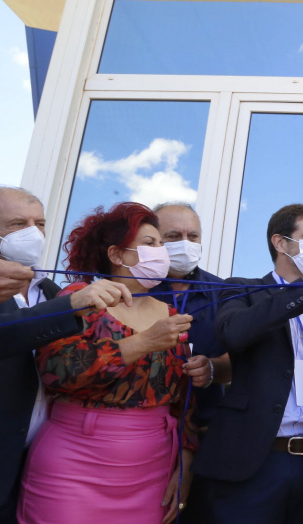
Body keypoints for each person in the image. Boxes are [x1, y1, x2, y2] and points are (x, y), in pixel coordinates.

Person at [17, 201, 197, 524]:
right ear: (116, 255)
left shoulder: (171, 313)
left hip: (152, 472)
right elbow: (56, 371)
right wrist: (142, 342)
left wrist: (185, 464)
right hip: (73, 466)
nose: (161, 252)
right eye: (149, 244)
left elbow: (184, 401)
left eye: (161, 245)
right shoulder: (79, 297)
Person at [192, 204, 303, 524]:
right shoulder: (242, 288)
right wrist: (302, 291)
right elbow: (234, 333)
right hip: (256, 462)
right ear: (280, 243)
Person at [0, 186, 132, 523]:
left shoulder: (52, 290)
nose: (33, 233)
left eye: (40, 223)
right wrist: (69, 306)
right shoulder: (66, 300)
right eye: (18, 224)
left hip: (35, 463)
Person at [151, 202, 229, 524]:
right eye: (173, 235)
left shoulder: (224, 292)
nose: (185, 242)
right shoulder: (134, 289)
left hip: (211, 440)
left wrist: (213, 368)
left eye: (192, 235)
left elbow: (242, 359)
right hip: (147, 438)